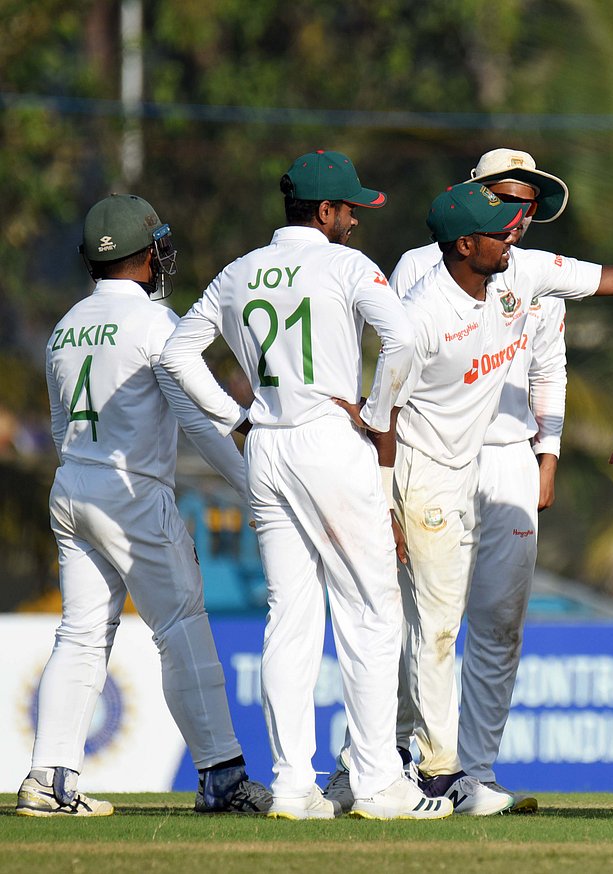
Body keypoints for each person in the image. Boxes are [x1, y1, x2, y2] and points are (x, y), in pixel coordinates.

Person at [159, 151, 451, 822]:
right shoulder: (346, 265)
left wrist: (236, 418)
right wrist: (377, 415)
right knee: (373, 612)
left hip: (265, 446)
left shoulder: (239, 271)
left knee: (290, 619)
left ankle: (293, 785)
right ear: (324, 212)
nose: (354, 220)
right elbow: (402, 342)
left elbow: (178, 354)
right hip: (328, 438)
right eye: (349, 210)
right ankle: (377, 783)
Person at [372, 180, 613, 816]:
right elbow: (383, 410)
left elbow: (610, 292)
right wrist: (386, 498)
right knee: (433, 626)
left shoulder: (523, 270)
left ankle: (465, 772)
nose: (515, 228)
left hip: (493, 460)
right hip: (425, 468)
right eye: (500, 219)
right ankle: (411, 766)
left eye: (518, 217)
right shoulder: (420, 300)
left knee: (483, 627)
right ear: (465, 238)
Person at [19, 194, 270, 817]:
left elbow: (58, 426)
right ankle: (222, 777)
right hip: (134, 493)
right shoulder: (157, 323)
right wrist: (256, 485)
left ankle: (47, 778)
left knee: (79, 635)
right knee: (180, 627)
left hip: (74, 484)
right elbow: (201, 416)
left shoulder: (65, 326)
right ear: (149, 252)